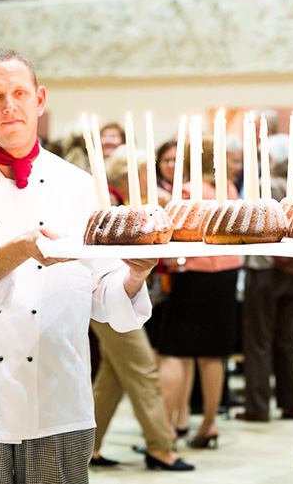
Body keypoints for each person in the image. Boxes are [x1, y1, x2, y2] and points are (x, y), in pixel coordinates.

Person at [0, 48, 157, 484]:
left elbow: (101, 295)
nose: (10, 105)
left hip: (56, 394)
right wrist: (20, 248)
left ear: (39, 99)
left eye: (20, 93)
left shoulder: (79, 185)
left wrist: (135, 274)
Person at [88, 148, 193, 471]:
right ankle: (161, 447)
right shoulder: (108, 202)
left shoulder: (132, 201)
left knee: (113, 377)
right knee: (143, 368)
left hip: (122, 293)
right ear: (129, 174)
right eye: (148, 171)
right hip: (104, 293)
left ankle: (88, 447)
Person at [158, 137, 241, 450]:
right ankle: (209, 423)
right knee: (212, 352)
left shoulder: (186, 193)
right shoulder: (228, 191)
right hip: (227, 272)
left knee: (174, 352)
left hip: (192, 273)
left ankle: (166, 428)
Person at [238, 134, 293, 423]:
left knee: (258, 340)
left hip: (264, 271)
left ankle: (258, 406)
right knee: (287, 339)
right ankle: (291, 403)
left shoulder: (264, 187)